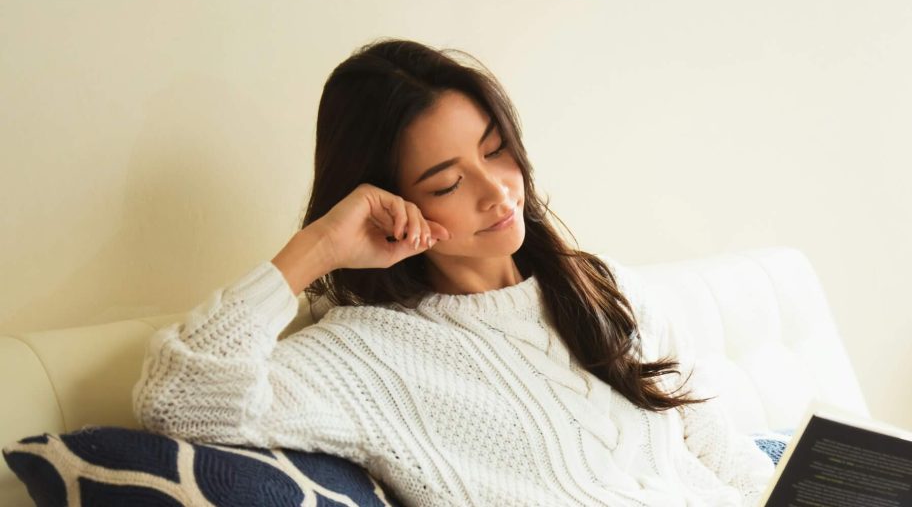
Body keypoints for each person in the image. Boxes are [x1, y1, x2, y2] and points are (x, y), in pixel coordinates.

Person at [132, 38, 777, 506]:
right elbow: (179, 399)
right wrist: (319, 248)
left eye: (497, 151)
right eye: (447, 182)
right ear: (388, 202)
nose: (497, 192)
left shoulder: (599, 289)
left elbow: (723, 456)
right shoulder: (364, 358)